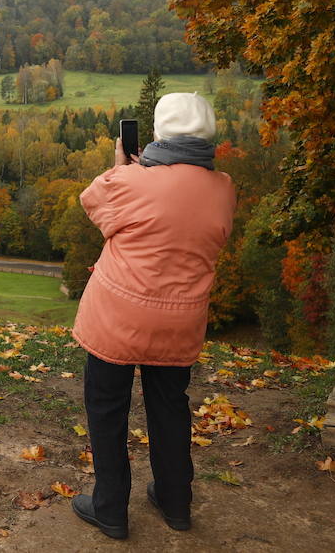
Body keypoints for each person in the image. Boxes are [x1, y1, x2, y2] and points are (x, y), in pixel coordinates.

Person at [69, 92, 237, 540]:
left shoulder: (130, 181)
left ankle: (110, 510)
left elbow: (93, 205)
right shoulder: (223, 187)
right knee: (170, 408)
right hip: (181, 321)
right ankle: (176, 501)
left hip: (117, 318)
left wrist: (126, 168)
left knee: (107, 409)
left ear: (160, 132)